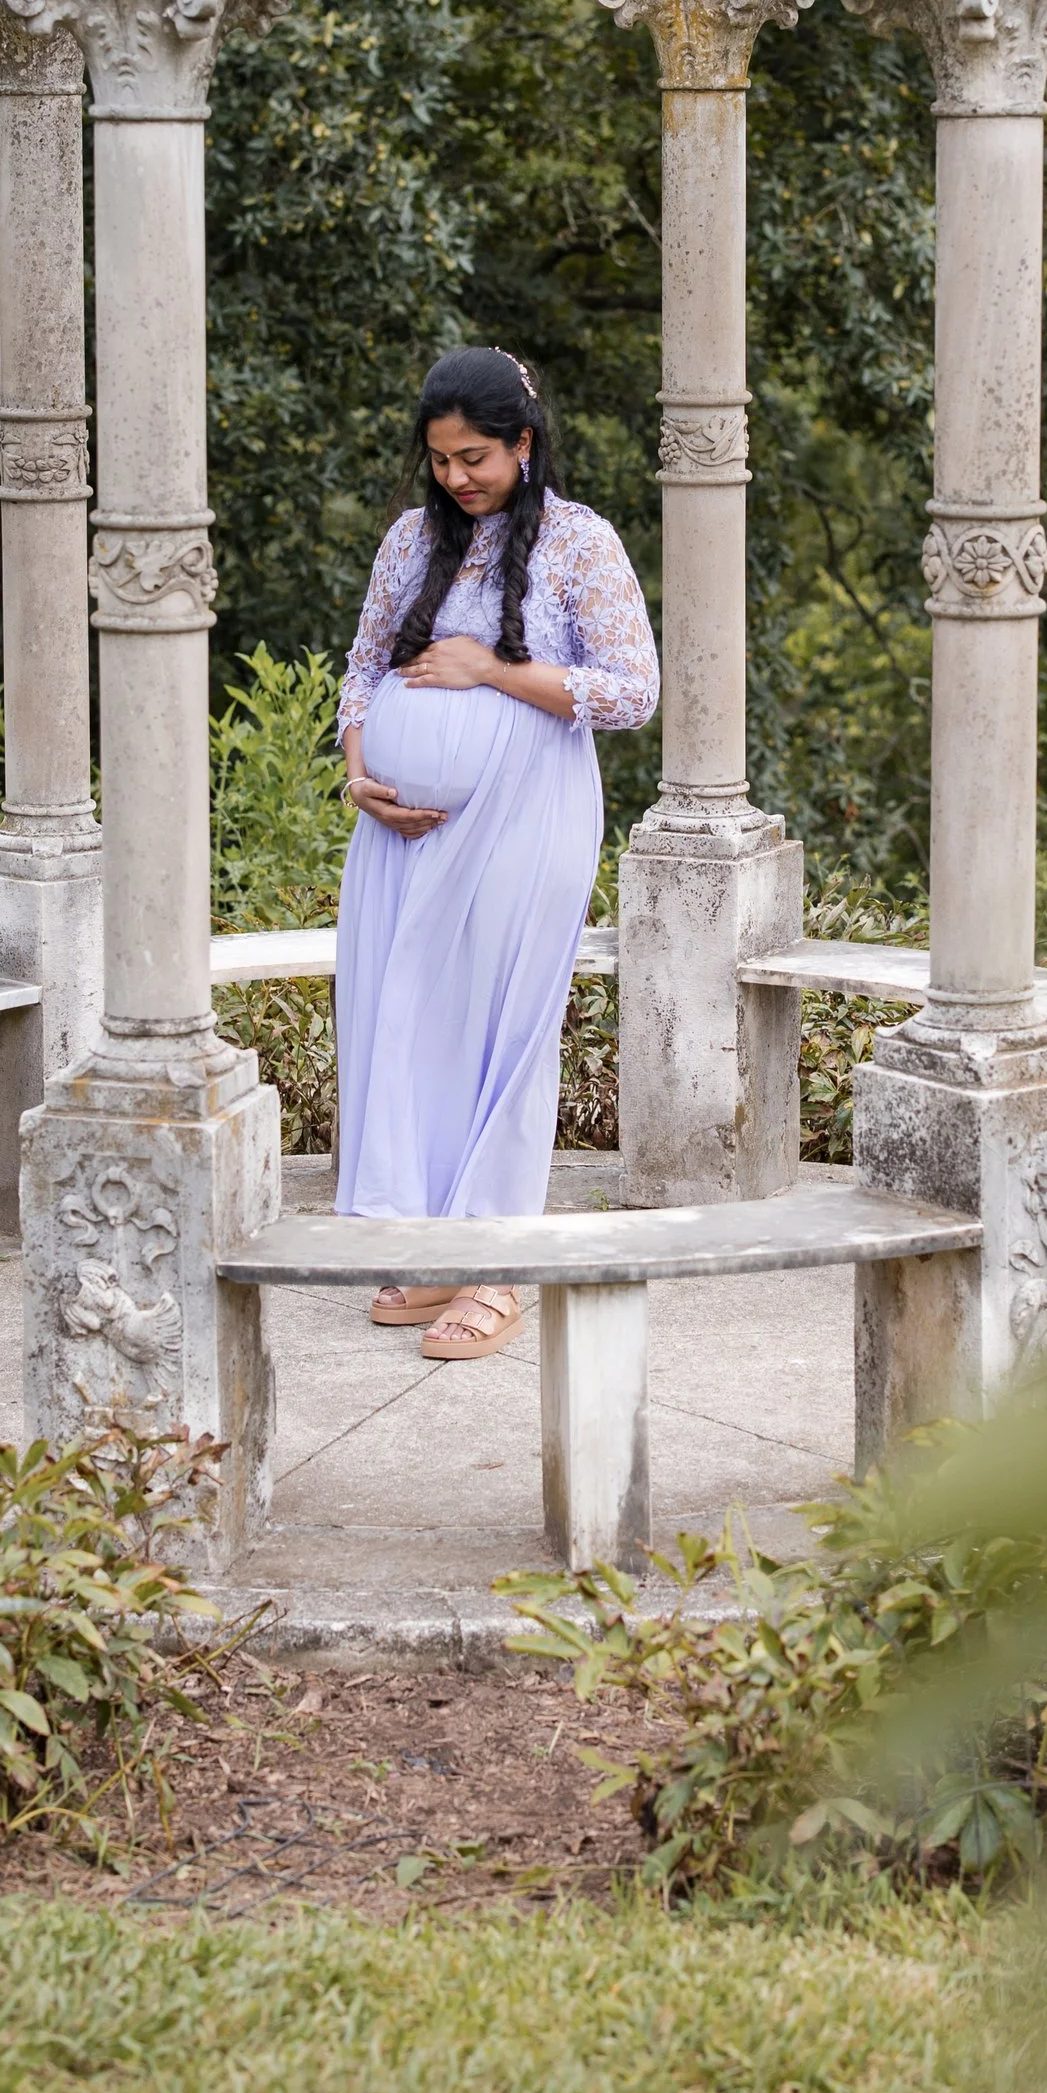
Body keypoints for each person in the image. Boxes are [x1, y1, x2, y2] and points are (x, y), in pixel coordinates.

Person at [333, 346, 660, 1359]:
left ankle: (498, 1266)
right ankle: (433, 1246)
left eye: (475, 457)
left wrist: (491, 669)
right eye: (440, 462)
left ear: (523, 442)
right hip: (402, 834)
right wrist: (361, 772)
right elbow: (360, 669)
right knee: (407, 1016)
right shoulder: (407, 541)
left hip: (530, 818)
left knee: (504, 1023)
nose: (457, 479)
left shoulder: (578, 543)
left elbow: (630, 693)